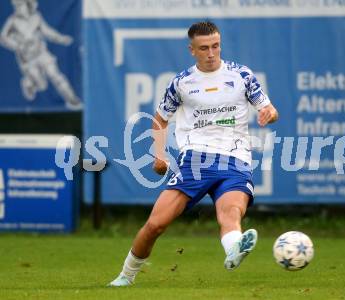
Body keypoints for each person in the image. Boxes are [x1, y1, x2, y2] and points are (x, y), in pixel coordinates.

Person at [108, 21, 278, 287]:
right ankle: (125, 276)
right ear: (192, 50)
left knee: (231, 213)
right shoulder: (182, 83)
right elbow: (160, 120)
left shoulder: (241, 75)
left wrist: (269, 112)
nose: (211, 53)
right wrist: (159, 155)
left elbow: (269, 108)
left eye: (215, 46)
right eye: (204, 48)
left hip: (236, 160)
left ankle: (235, 248)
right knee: (155, 225)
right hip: (196, 161)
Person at [0, 0, 81, 109]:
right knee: (42, 85)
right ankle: (29, 83)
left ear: (27, 5)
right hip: (27, 60)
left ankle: (72, 99)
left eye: (20, 5)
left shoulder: (36, 17)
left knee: (55, 75)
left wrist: (61, 39)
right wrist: (17, 45)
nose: (17, 8)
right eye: (15, 6)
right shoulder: (12, 21)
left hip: (42, 53)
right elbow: (3, 38)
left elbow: (47, 31)